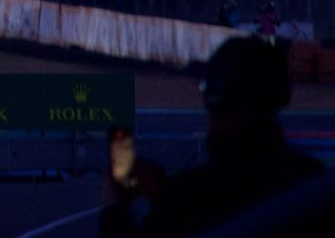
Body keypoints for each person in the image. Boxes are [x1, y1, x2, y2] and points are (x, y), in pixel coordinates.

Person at [100, 35, 328, 236]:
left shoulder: (190, 198)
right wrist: (162, 191)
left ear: (216, 97)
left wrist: (116, 207)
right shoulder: (313, 183)